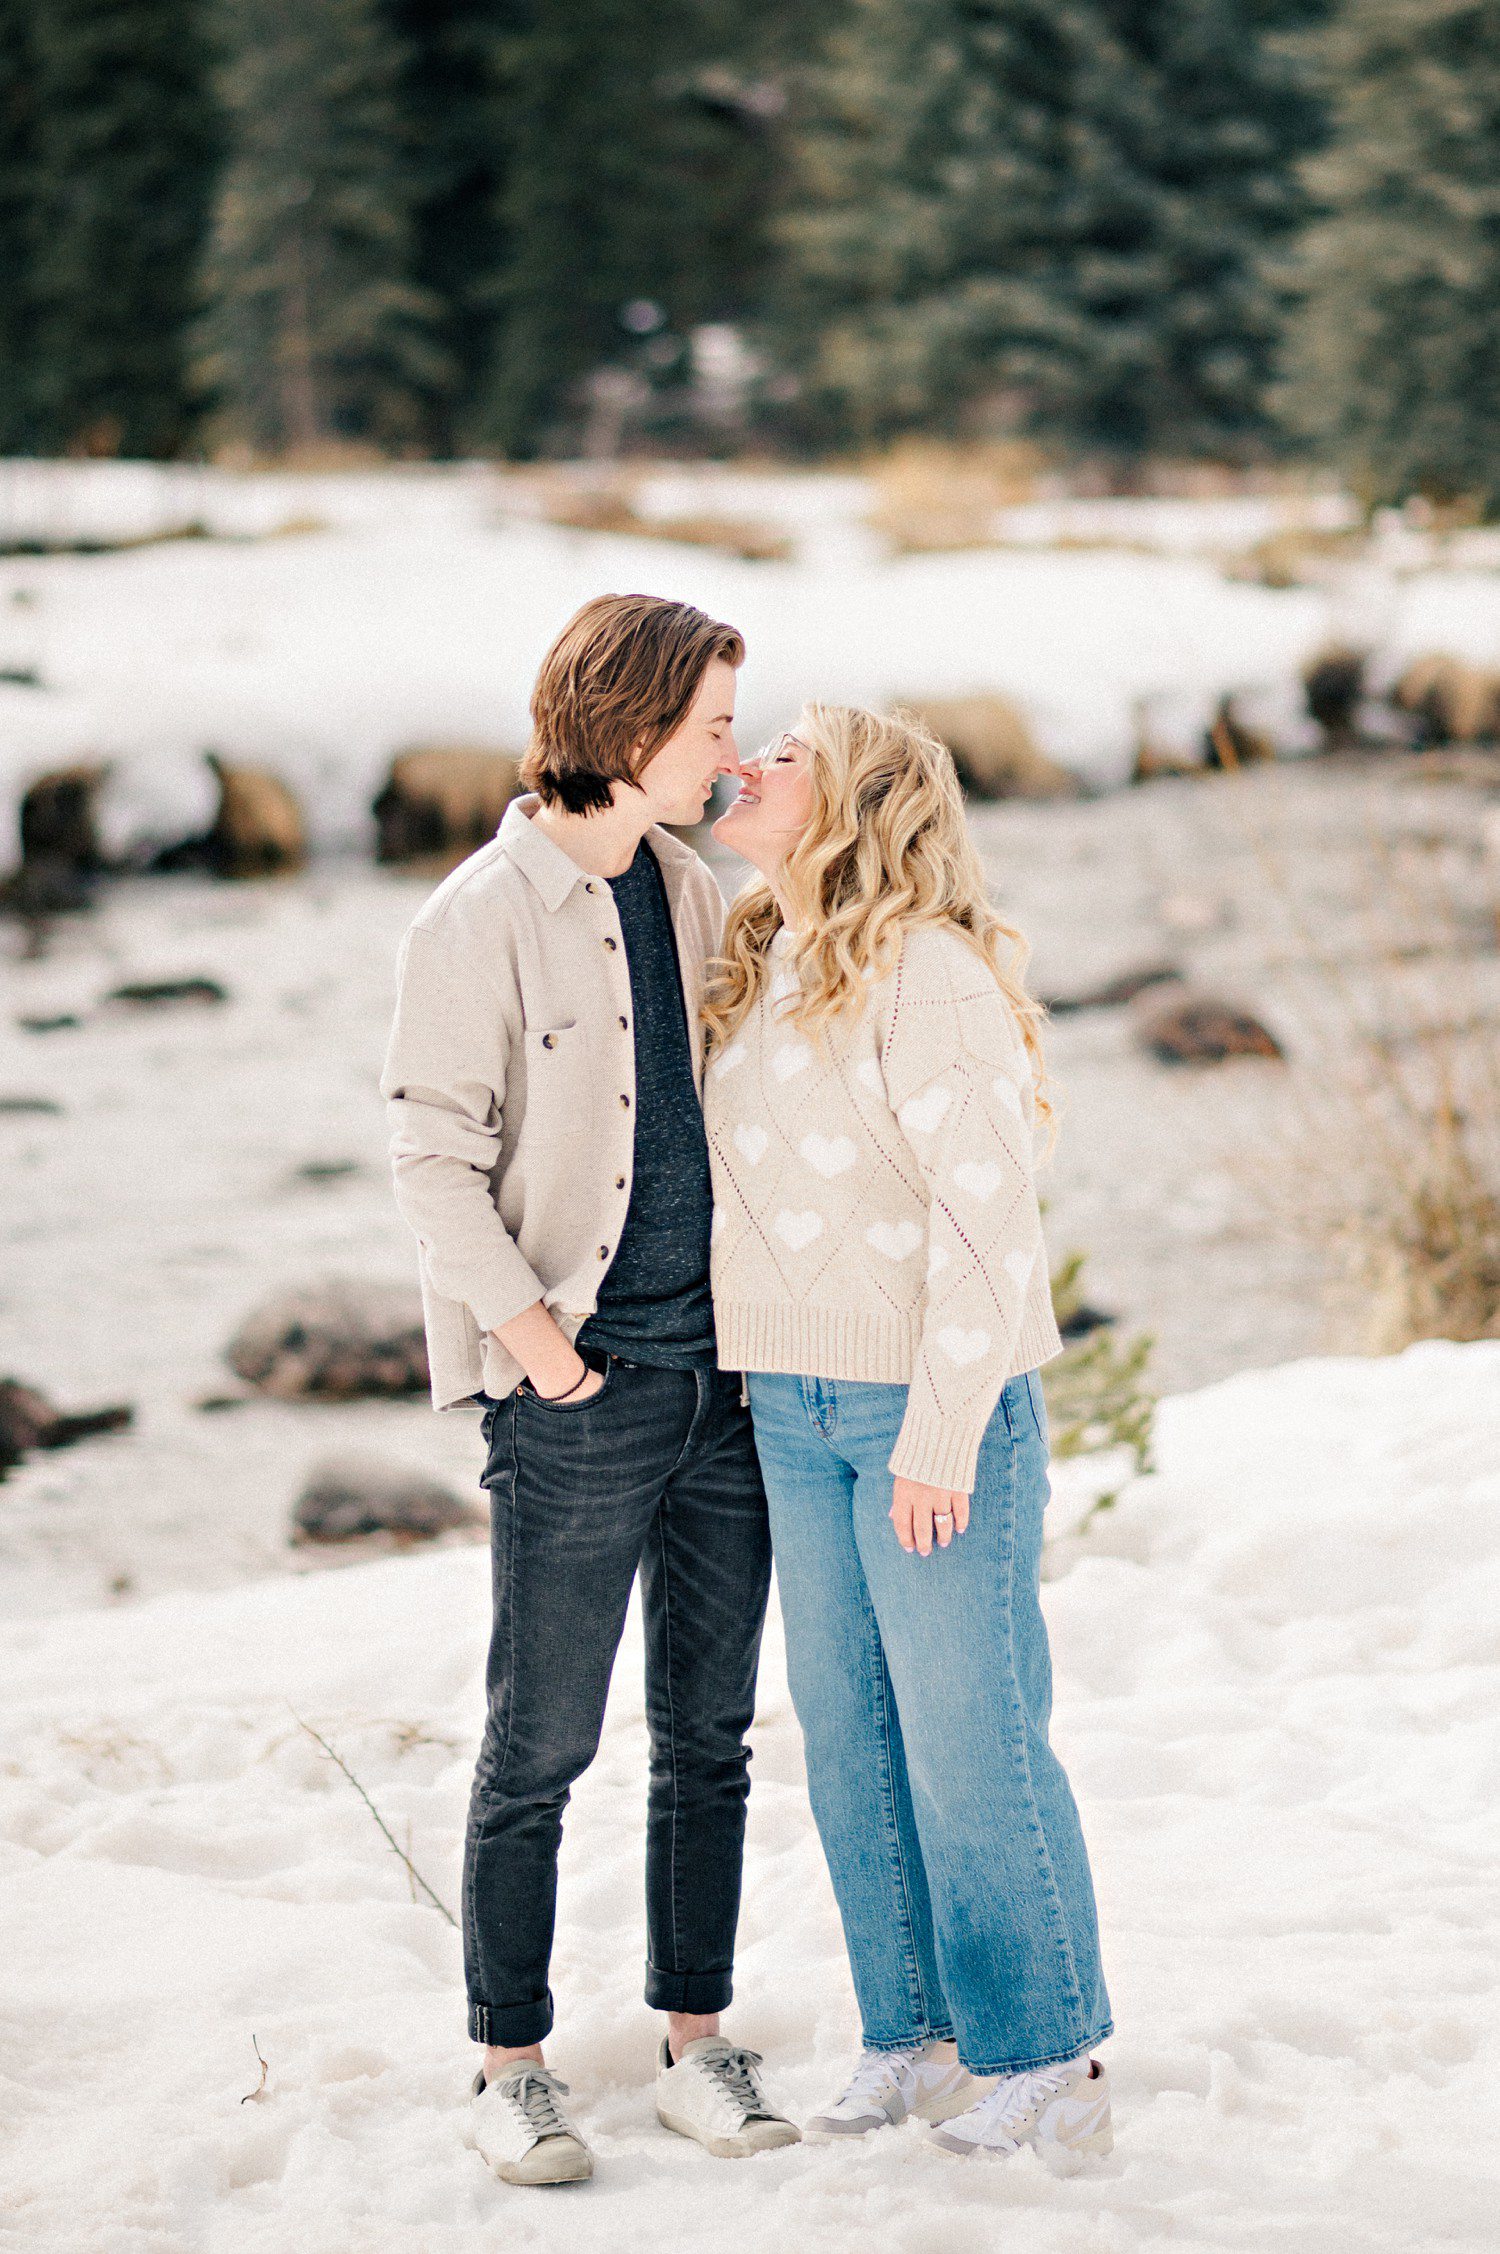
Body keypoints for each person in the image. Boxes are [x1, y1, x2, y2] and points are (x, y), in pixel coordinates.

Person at [380, 594, 799, 2186]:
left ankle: (700, 2038)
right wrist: (541, 1354)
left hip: (723, 1385)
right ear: (629, 732)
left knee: (709, 1737)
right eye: (709, 729)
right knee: (538, 1742)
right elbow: (430, 1159)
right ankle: (511, 2063)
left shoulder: (691, 889)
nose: (729, 754)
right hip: (578, 1389)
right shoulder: (473, 917)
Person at [701, 704, 1113, 2161]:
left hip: (932, 1409)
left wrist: (941, 1431)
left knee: (969, 1735)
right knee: (849, 1738)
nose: (755, 758)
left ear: (864, 797)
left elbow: (989, 1221)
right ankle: (910, 2030)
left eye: (794, 748)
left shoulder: (928, 974)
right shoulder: (756, 951)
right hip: (788, 1406)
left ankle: (1042, 2049)